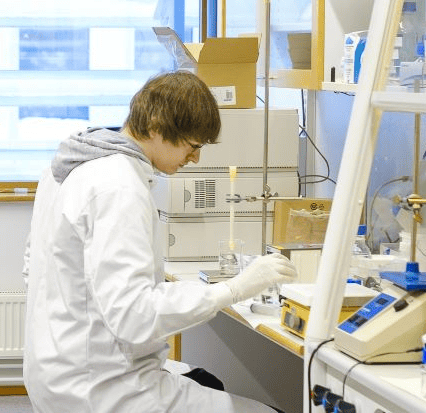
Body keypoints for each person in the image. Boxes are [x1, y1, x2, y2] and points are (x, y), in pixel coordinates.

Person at [22, 71, 297, 413]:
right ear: (155, 126)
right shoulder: (119, 187)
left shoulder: (69, 167)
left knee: (206, 382)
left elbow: (32, 266)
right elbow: (134, 315)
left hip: (55, 370)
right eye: (192, 146)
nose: (196, 158)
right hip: (101, 389)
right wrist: (234, 288)